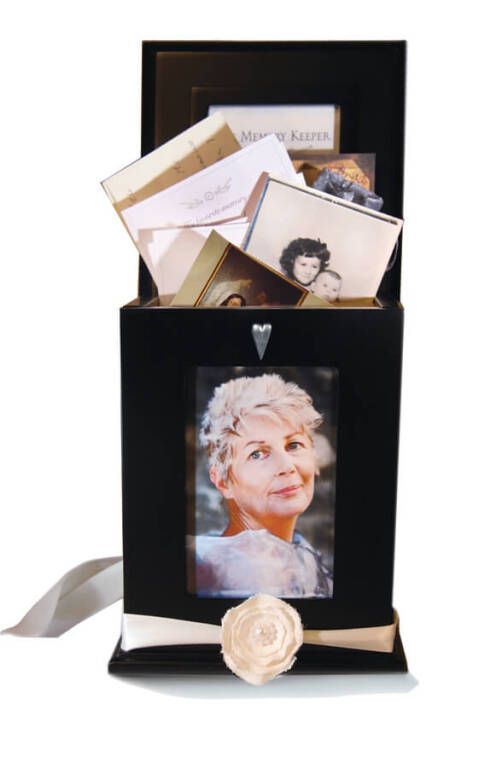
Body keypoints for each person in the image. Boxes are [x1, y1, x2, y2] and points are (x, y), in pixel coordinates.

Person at [190, 373, 333, 598]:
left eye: (294, 445)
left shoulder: (310, 563)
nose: (286, 466)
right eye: (257, 454)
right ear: (222, 481)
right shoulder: (204, 566)